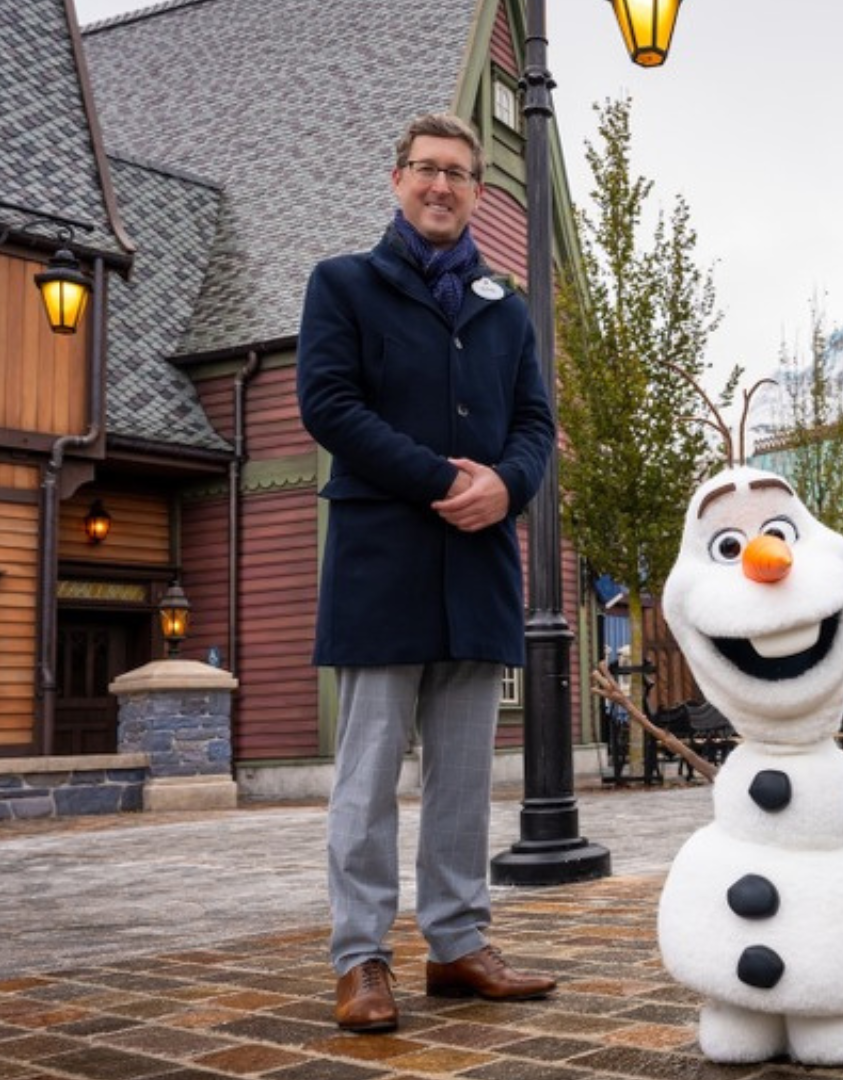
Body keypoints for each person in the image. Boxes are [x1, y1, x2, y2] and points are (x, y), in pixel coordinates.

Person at [297, 112, 558, 1033]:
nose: (441, 186)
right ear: (396, 177)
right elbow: (328, 406)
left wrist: (508, 486)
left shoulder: (506, 307)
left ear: (477, 191)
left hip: (479, 566)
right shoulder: (343, 285)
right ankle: (361, 959)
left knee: (462, 780)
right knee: (367, 777)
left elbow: (534, 425)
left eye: (458, 173)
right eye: (426, 169)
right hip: (383, 565)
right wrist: (446, 478)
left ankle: (456, 945)